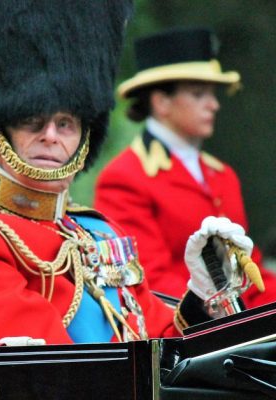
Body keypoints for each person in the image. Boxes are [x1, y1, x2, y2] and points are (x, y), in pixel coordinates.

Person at [0, 0, 259, 344]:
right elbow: (54, 368)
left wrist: (203, 296)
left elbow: (159, 338)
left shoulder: (101, 231)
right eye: (31, 121)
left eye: (66, 124)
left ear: (85, 138)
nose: (51, 136)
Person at [93, 27, 276, 308]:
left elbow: (248, 271)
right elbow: (148, 281)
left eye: (213, 94)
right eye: (198, 94)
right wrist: (230, 312)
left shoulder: (223, 174)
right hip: (185, 335)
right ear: (161, 102)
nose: (214, 105)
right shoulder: (125, 177)